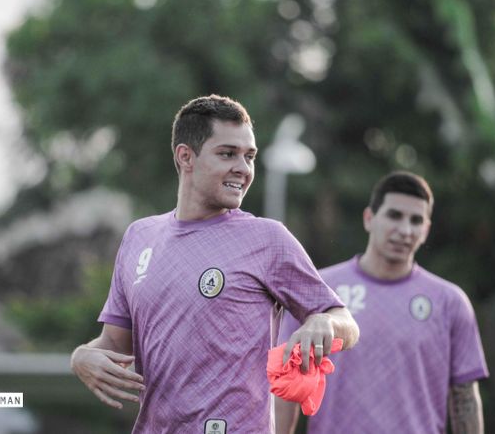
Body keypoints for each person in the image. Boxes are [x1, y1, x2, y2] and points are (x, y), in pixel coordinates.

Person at [71, 95, 359, 434]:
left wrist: (323, 321)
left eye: (249, 156)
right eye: (227, 154)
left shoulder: (267, 239)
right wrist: (81, 357)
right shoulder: (139, 237)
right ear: (185, 157)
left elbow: (346, 323)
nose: (243, 168)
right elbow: (115, 344)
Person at [276, 171, 489, 434]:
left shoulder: (450, 302)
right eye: (394, 215)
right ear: (369, 218)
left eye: (416, 220)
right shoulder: (318, 290)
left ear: (426, 230)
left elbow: (465, 396)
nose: (405, 230)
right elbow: (285, 386)